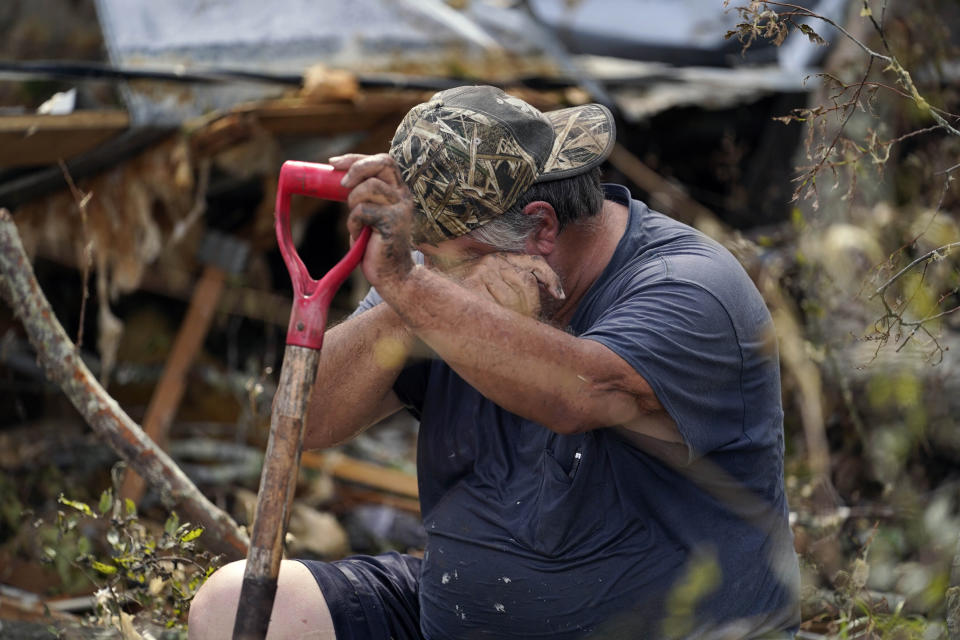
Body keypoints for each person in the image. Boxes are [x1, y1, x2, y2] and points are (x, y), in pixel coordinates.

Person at [189, 85, 800, 639]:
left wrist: (412, 284)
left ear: (538, 228)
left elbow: (577, 394)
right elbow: (311, 419)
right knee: (234, 606)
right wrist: (407, 294)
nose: (428, 276)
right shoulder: (432, 281)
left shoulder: (690, 287)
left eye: (440, 258)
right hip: (459, 618)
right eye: (418, 258)